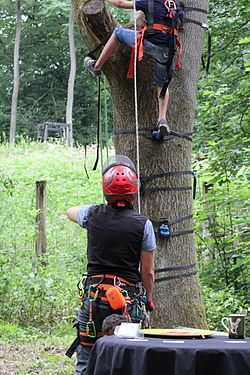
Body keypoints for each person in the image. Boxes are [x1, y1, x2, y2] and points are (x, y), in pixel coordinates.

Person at [66, 155, 156, 375]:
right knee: (126, 359)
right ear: (134, 190)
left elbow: (71, 211)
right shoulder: (143, 224)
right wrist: (149, 300)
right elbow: (147, 271)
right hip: (126, 300)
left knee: (86, 360)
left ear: (106, 190)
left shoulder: (92, 215)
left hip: (93, 300)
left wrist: (96, 210)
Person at [83, 0, 182, 137]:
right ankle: (162, 119)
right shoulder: (176, 5)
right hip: (168, 49)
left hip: (151, 43)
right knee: (162, 84)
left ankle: (96, 66)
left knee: (118, 32)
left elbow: (120, 3)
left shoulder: (150, 2)